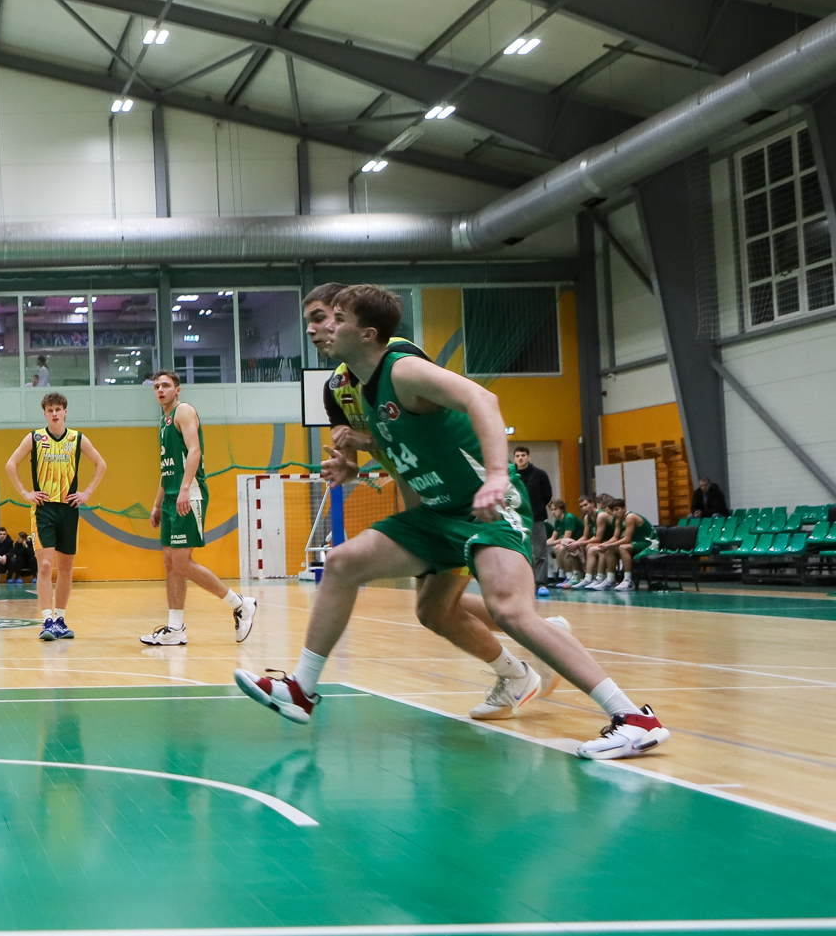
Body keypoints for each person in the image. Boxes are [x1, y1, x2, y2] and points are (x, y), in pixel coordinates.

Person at [236, 286, 669, 760]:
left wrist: (500, 475)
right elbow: (402, 444)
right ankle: (302, 689)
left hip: (486, 505)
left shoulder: (403, 368)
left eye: (335, 318)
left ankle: (633, 718)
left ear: (367, 333)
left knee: (509, 609)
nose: (324, 327)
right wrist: (352, 466)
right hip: (437, 512)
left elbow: (483, 399)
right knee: (345, 564)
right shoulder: (357, 389)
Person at [302, 284, 562, 718]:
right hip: (419, 501)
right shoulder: (335, 389)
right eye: (308, 321)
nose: (314, 330)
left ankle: (527, 657)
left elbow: (434, 416)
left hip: (457, 496)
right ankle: (533, 643)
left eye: (321, 317)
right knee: (434, 608)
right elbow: (352, 452)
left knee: (437, 608)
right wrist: (350, 463)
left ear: (353, 321)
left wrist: (495, 475)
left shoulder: (398, 359)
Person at [140, 369, 256, 647]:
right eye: (156, 386)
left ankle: (239, 603)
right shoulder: (164, 421)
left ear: (177, 390)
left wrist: (183, 489)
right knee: (170, 563)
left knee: (181, 561)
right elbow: (167, 468)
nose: (160, 390)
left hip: (187, 494)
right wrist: (157, 504)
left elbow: (195, 451)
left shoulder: (184, 411)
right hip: (170, 497)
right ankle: (175, 628)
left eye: (166, 385)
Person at [4, 392, 109, 641]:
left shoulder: (77, 438)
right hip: (44, 509)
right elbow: (11, 464)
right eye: (50, 410)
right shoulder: (35, 437)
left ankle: (60, 619)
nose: (54, 413)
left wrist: (87, 492)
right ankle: (46, 620)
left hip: (69, 509)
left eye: (58, 409)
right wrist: (25, 492)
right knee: (46, 565)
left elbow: (101, 464)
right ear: (45, 413)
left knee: (66, 567)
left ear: (65, 412)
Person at [512, 445, 554, 582]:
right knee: (518, 551)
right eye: (517, 456)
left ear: (528, 457)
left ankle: (541, 582)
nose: (520, 458)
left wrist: (535, 508)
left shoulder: (540, 474)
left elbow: (547, 495)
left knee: (540, 552)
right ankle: (522, 582)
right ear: (514, 458)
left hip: (536, 518)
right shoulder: (511, 475)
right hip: (516, 519)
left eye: (523, 455)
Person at [612, 497, 658, 591]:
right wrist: (604, 545)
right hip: (637, 543)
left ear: (624, 508)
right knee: (609, 549)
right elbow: (615, 538)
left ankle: (628, 580)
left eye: (617, 510)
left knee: (623, 548)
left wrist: (609, 545)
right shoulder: (618, 520)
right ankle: (609, 579)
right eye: (613, 510)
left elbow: (627, 539)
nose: (614, 513)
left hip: (650, 543)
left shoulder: (630, 517)